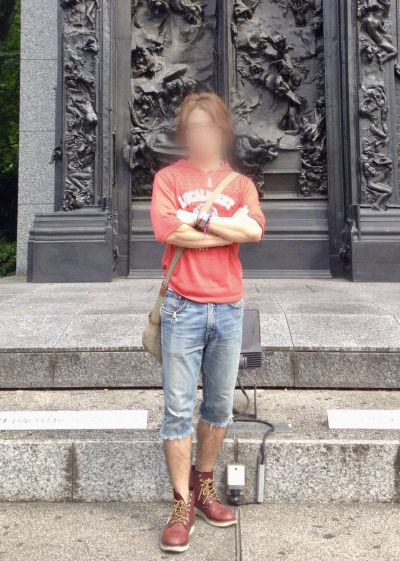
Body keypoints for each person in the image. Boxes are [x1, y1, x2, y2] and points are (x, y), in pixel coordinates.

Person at [150, 92, 265, 553]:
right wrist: (225, 226)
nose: (201, 134)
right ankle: (181, 503)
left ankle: (204, 486)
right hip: (182, 305)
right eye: (193, 127)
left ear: (222, 131)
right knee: (178, 409)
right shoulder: (169, 178)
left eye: (209, 126)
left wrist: (195, 220)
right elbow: (167, 230)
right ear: (185, 132)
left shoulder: (241, 183)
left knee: (218, 406)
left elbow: (254, 231)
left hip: (228, 307)